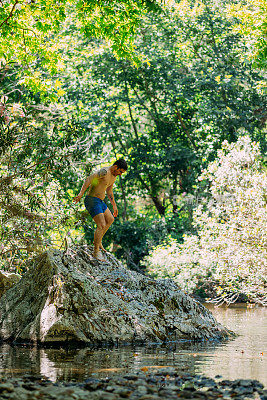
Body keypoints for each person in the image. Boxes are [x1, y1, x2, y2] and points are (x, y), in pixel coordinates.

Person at [73, 158, 127, 261]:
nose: (120, 174)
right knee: (101, 224)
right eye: (120, 171)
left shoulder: (113, 176)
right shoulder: (104, 172)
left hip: (100, 202)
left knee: (110, 219)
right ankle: (96, 251)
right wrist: (80, 194)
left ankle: (98, 241)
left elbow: (109, 191)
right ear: (116, 167)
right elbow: (89, 179)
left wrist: (114, 205)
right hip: (92, 200)